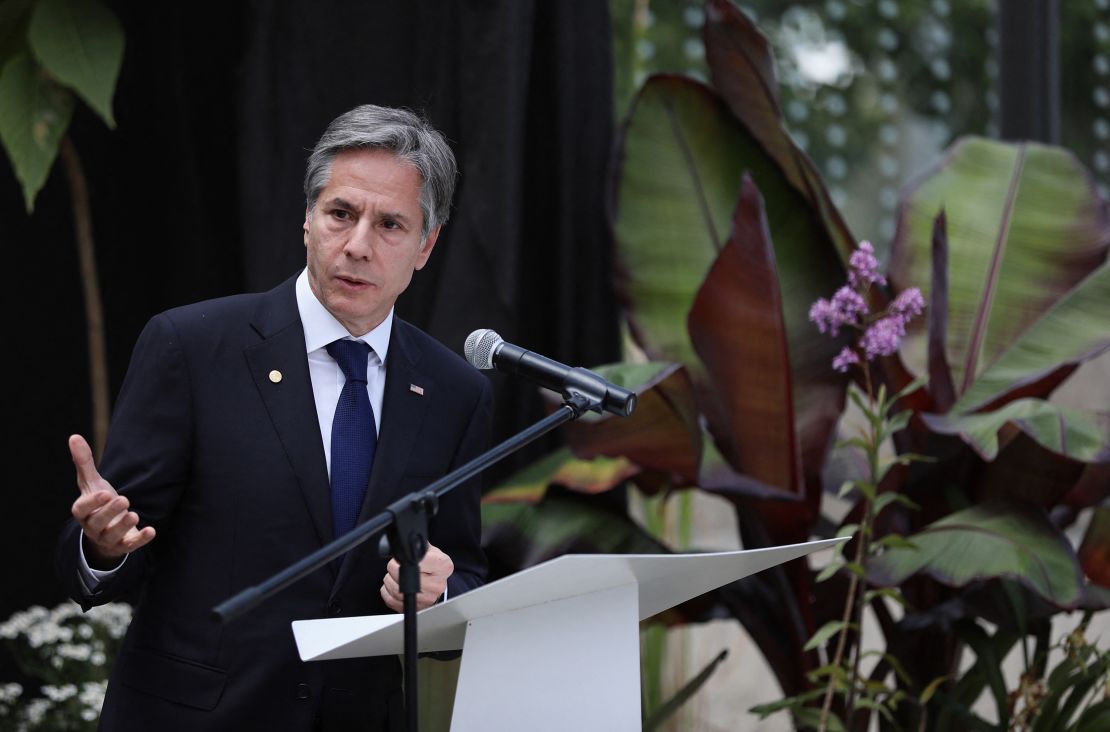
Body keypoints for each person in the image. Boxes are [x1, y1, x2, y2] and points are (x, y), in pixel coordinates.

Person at [55, 105, 492, 731]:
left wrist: (440, 596)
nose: (358, 246)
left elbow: (462, 569)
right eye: (341, 214)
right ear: (307, 220)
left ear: (426, 246)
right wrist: (103, 546)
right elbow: (103, 554)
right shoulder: (193, 346)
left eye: (391, 224)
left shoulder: (454, 391)